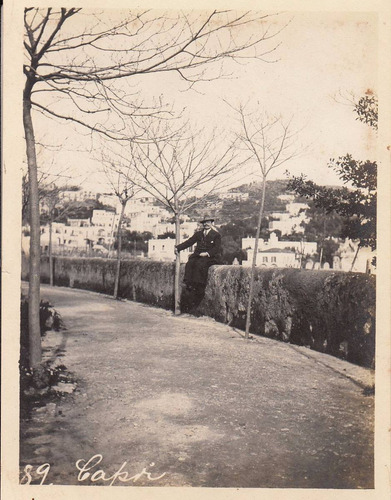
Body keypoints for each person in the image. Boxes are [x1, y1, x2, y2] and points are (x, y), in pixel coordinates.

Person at [175, 218, 222, 290]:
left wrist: (207, 253)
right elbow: (189, 242)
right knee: (190, 263)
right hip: (198, 255)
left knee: (200, 264)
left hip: (210, 257)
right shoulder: (198, 234)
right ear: (202, 224)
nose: (206, 224)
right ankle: (188, 283)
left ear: (211, 223)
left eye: (208, 222)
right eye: (204, 222)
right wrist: (178, 248)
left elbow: (217, 248)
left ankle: (199, 285)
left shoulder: (216, 235)